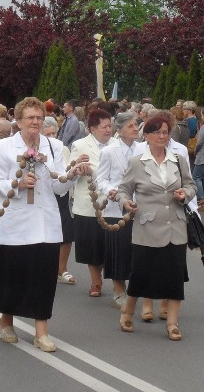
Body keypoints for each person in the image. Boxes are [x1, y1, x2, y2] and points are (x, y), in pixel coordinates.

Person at [0, 97, 77, 352]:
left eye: (39, 117)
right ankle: (6, 320)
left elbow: (59, 186)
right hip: (17, 224)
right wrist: (17, 185)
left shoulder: (54, 146)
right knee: (12, 276)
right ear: (18, 121)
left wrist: (72, 175)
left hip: (46, 224)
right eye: (30, 118)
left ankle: (42, 331)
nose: (35, 122)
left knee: (43, 278)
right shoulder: (4, 147)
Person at [116, 113, 197, 341]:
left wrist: (185, 193)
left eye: (165, 132)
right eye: (157, 132)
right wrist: (126, 202)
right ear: (147, 136)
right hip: (147, 228)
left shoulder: (178, 160)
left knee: (174, 277)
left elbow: (191, 185)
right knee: (140, 275)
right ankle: (128, 311)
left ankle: (172, 323)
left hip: (176, 227)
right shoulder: (137, 163)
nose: (162, 136)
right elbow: (123, 189)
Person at [96, 111, 141, 309]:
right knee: (118, 249)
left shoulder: (143, 150)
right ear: (120, 130)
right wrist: (110, 190)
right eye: (131, 126)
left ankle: (135, 289)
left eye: (136, 125)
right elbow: (101, 179)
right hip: (115, 208)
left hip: (139, 206)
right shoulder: (109, 151)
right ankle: (118, 290)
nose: (135, 129)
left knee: (136, 250)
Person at [69, 108, 115, 300]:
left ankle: (116, 282)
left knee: (111, 247)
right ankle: (96, 282)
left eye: (110, 126)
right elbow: (69, 171)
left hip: (112, 203)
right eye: (104, 127)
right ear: (92, 129)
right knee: (92, 247)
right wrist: (78, 169)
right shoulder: (80, 145)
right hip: (88, 204)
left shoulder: (117, 144)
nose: (108, 130)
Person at [42, 116, 75, 285]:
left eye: (54, 133)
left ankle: (62, 269)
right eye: (47, 134)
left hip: (62, 194)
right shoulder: (37, 150)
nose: (52, 136)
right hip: (45, 195)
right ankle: (47, 267)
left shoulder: (62, 148)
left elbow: (68, 169)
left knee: (67, 231)